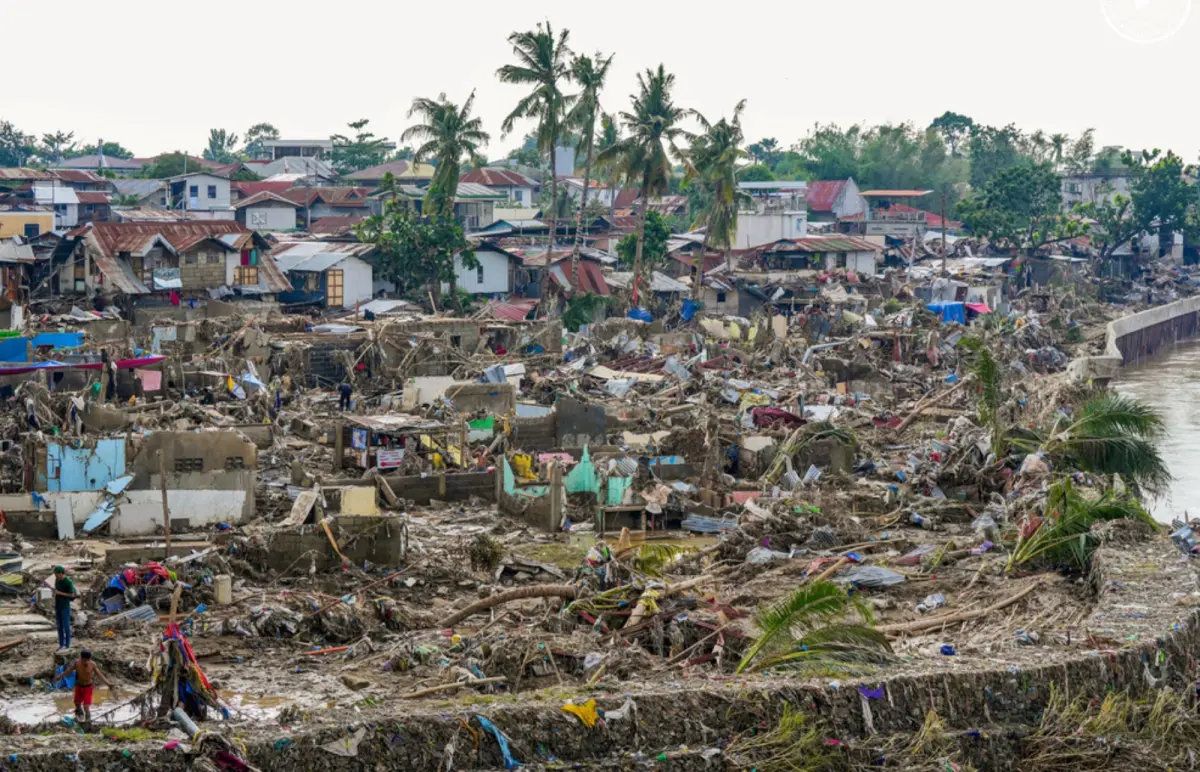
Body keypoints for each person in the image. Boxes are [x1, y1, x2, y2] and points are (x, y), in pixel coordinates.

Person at [60, 649, 112, 722]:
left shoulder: (92, 664)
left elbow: (100, 675)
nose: (86, 662)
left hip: (88, 687)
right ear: (81, 658)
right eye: (85, 660)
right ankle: (79, 714)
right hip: (79, 686)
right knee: (77, 703)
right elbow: (69, 671)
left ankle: (88, 721)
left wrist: (108, 683)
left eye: (88, 660)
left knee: (86, 706)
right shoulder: (77, 663)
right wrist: (60, 676)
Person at [51, 566, 76, 651]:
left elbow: (72, 595)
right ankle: (61, 644)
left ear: (61, 573)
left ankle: (67, 644)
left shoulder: (68, 582)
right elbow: (56, 590)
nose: (55, 576)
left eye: (56, 574)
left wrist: (59, 593)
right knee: (59, 626)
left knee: (66, 626)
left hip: (65, 606)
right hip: (58, 605)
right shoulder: (57, 580)